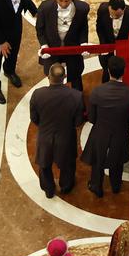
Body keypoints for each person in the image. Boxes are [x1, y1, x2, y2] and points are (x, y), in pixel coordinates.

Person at [82, 56, 129, 197]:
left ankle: (96, 186)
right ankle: (116, 186)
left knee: (98, 161)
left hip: (100, 132)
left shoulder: (97, 91)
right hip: (120, 133)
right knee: (117, 162)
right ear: (124, 71)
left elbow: (92, 118)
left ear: (108, 71)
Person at [28, 61, 84, 201]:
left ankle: (48, 190)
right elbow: (78, 122)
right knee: (68, 165)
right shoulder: (76, 96)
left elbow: (34, 118)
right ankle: (66, 187)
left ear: (48, 76)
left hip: (45, 138)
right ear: (64, 77)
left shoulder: (37, 94)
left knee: (45, 166)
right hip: (66, 138)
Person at [34, 0, 90, 91]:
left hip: (73, 46)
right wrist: (44, 45)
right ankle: (54, 96)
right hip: (52, 47)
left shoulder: (82, 8)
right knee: (53, 75)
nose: (63, 4)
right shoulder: (45, 7)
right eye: (60, 0)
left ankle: (78, 98)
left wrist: (83, 43)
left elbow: (84, 27)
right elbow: (40, 29)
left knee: (75, 75)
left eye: (67, 1)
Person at [96, 0, 129, 82]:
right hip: (107, 46)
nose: (113, 17)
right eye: (111, 14)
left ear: (123, 10)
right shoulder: (102, 9)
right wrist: (103, 44)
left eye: (116, 16)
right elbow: (99, 28)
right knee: (106, 71)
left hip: (123, 49)